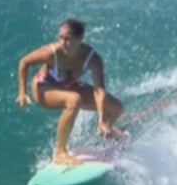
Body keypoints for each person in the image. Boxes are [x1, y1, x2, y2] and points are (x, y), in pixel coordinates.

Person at [16, 18, 126, 164]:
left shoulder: (93, 58)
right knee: (74, 100)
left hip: (70, 86)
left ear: (80, 39)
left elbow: (99, 90)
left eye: (68, 39)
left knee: (116, 107)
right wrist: (22, 93)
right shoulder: (51, 52)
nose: (63, 42)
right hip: (44, 88)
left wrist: (101, 119)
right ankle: (60, 152)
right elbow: (24, 62)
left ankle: (105, 130)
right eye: (60, 38)